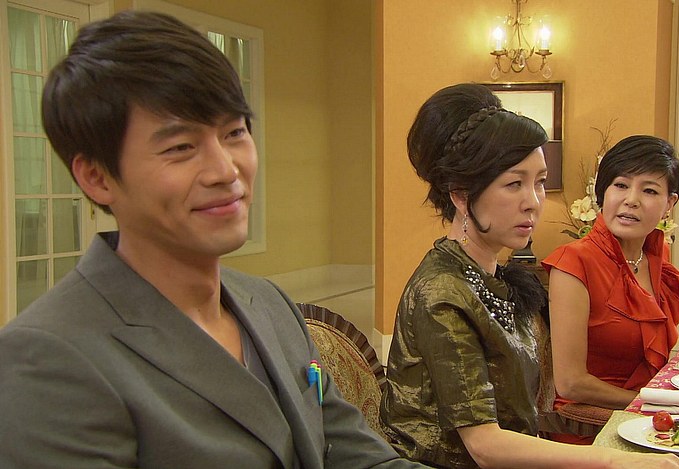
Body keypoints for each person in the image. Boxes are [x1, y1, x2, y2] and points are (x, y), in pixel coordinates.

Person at [0, 11, 427, 469]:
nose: (226, 170)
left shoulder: (269, 303)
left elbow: (357, 456)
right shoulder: (47, 359)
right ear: (97, 177)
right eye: (180, 147)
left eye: (234, 133)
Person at [380, 84, 679, 469]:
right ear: (461, 195)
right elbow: (484, 445)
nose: (533, 201)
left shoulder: (494, 277)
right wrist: (614, 461)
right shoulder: (442, 291)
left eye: (540, 182)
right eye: (514, 184)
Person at [542, 135, 679, 444]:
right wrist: (656, 404)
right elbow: (571, 383)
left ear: (669, 204)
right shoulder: (574, 262)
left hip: (648, 423)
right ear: (603, 192)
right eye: (621, 185)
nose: (631, 200)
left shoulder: (656, 256)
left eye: (649, 190)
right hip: (592, 429)